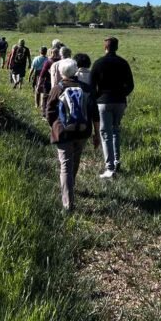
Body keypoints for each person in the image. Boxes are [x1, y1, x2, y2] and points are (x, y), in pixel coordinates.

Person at [46, 58, 95, 212]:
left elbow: (49, 111)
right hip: (82, 131)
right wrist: (96, 133)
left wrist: (54, 126)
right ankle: (71, 186)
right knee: (75, 160)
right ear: (75, 71)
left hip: (63, 132)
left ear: (61, 72)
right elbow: (93, 112)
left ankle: (68, 204)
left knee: (65, 165)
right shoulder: (86, 88)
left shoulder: (57, 88)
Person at [91, 37, 134, 178]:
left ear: (105, 47)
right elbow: (131, 85)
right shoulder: (123, 63)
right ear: (117, 47)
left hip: (103, 101)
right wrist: (122, 94)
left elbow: (92, 86)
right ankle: (116, 161)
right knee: (116, 130)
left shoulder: (98, 63)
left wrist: (98, 97)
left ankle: (109, 168)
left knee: (105, 134)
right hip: (120, 102)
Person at [37, 48, 61, 116]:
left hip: (48, 82)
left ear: (51, 53)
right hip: (58, 84)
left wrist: (39, 84)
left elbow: (42, 74)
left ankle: (44, 113)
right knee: (56, 98)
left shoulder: (48, 61)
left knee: (45, 97)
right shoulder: (61, 61)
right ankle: (54, 113)